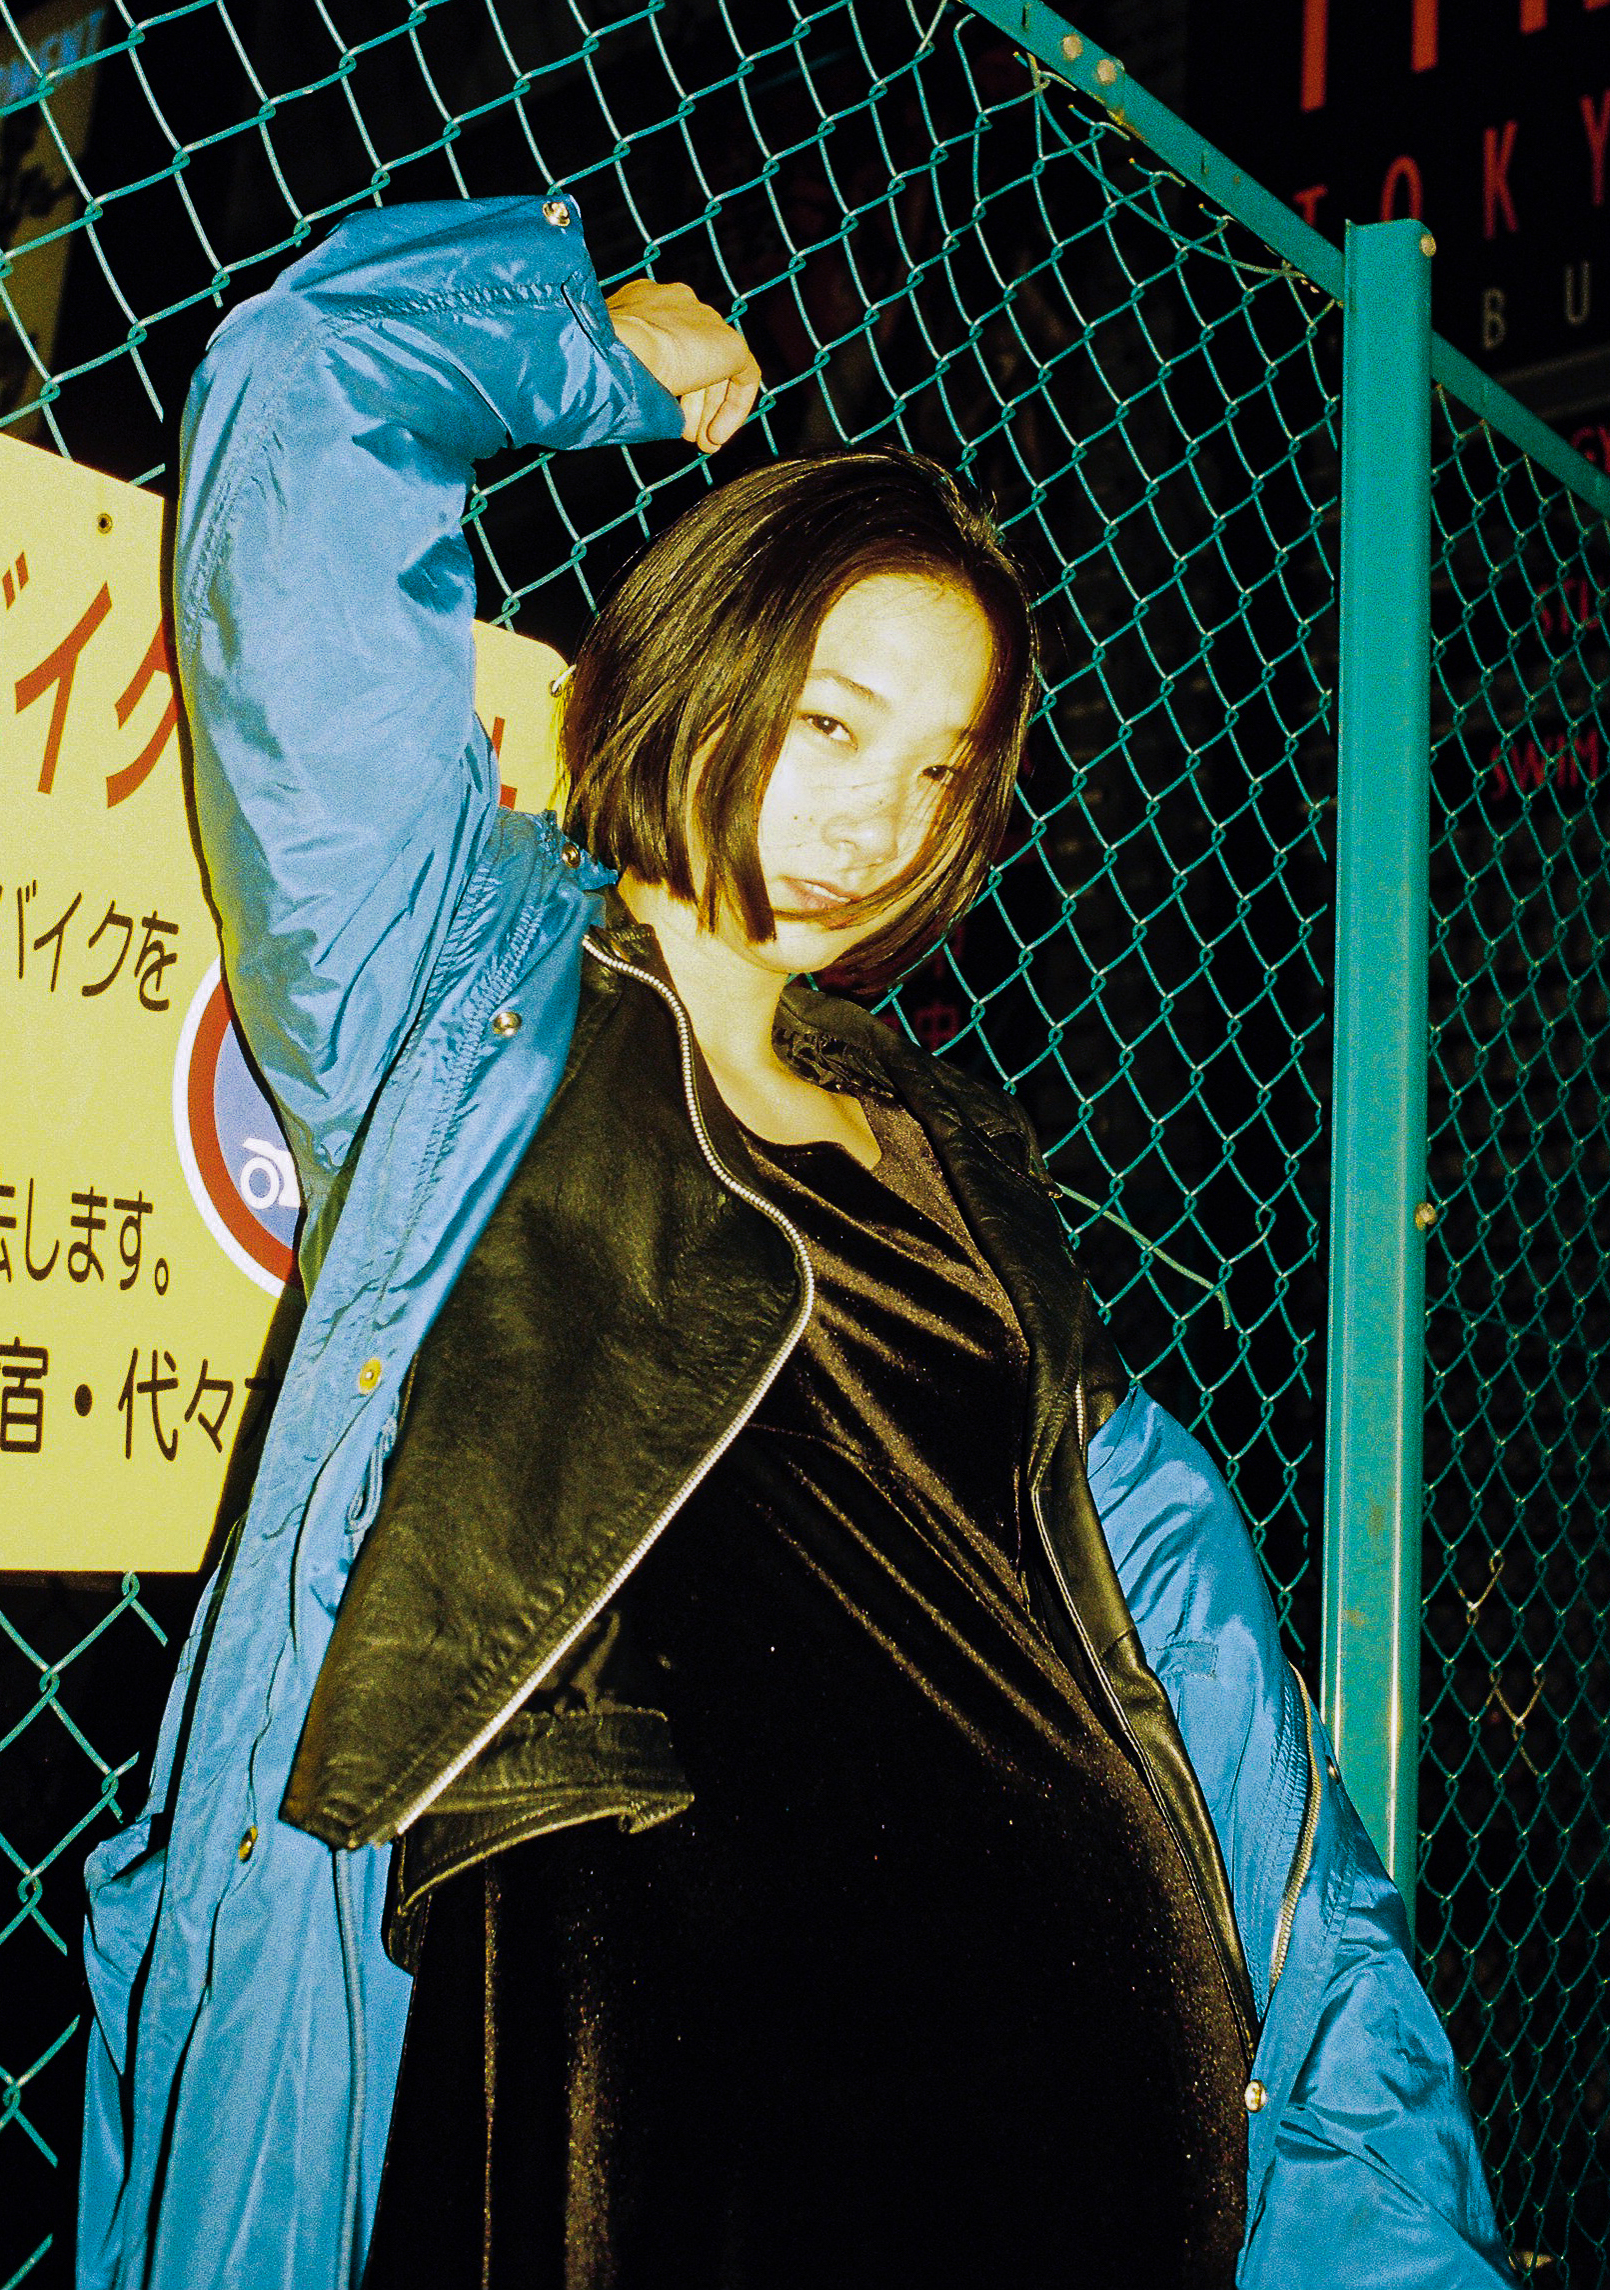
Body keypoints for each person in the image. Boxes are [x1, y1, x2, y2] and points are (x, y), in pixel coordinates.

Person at [78, 195, 1508, 2290]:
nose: (876, 820)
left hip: (1071, 2106)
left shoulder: (955, 1153)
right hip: (609, 2095)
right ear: (707, 661)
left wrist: (1368, 2161)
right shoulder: (459, 980)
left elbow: (1187, 1651)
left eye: (937, 769)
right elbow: (301, 406)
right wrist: (587, 351)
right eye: (831, 723)